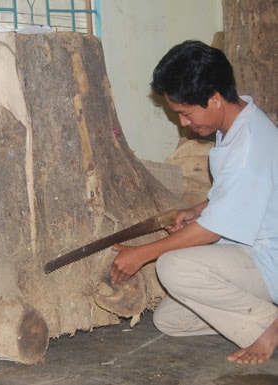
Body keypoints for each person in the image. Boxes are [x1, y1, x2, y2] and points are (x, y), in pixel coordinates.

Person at [110, 40, 278, 364]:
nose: (184, 124)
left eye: (185, 113)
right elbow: (239, 193)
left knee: (173, 266)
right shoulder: (236, 120)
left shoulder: (249, 147)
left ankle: (268, 326)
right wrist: (197, 209)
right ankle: (255, 318)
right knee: (171, 320)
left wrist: (141, 255)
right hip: (246, 251)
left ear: (214, 98)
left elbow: (210, 233)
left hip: (267, 260)